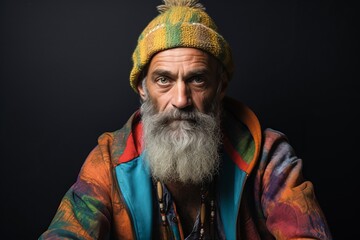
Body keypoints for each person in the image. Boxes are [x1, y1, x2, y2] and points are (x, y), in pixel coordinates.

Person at [39, 0, 332, 239]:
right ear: (142, 88)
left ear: (221, 87)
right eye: (163, 80)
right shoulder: (109, 161)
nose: (181, 100)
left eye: (197, 79)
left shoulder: (268, 158)